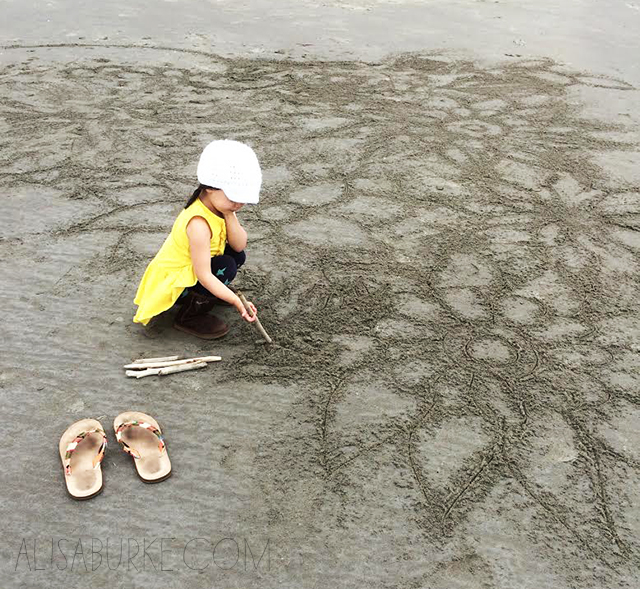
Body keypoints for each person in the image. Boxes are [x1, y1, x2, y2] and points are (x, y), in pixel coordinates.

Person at [133, 140, 260, 339]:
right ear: (210, 187)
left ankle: (211, 294)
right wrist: (236, 300)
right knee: (226, 266)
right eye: (234, 197)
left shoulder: (221, 204)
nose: (239, 203)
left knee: (237, 256)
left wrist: (229, 214)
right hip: (177, 285)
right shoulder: (198, 224)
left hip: (198, 269)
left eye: (242, 198)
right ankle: (189, 315)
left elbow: (239, 244)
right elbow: (204, 275)